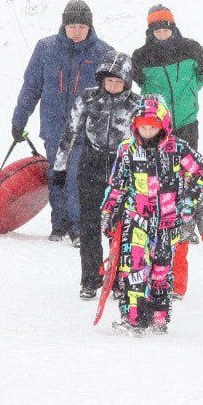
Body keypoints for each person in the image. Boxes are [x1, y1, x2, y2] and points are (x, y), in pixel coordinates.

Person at [100, 95, 203, 334]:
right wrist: (108, 212)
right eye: (143, 125)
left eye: (153, 126)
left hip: (168, 223)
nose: (148, 130)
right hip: (136, 220)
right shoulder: (127, 150)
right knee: (134, 271)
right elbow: (117, 185)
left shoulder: (177, 149)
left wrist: (188, 203)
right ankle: (134, 319)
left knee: (161, 273)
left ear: (163, 125)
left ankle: (159, 320)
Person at [12, 0, 113, 243]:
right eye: (71, 26)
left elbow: (114, 92)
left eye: (81, 26)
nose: (76, 31)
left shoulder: (103, 53)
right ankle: (60, 223)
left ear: (89, 26)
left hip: (86, 130)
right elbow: (31, 87)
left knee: (77, 176)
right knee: (56, 176)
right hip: (54, 127)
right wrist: (19, 120)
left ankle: (79, 227)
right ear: (63, 25)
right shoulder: (46, 48)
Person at [131, 4, 203, 299]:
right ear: (150, 31)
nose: (162, 33)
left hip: (187, 122)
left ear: (173, 27)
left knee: (189, 172)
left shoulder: (192, 49)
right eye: (156, 30)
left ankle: (189, 217)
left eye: (165, 28)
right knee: (160, 176)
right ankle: (160, 214)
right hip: (157, 127)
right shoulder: (141, 57)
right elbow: (139, 83)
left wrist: (189, 92)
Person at [52, 50, 143, 300]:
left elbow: (147, 140)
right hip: (91, 164)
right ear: (101, 80)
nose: (113, 86)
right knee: (89, 224)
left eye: (118, 81)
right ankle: (91, 278)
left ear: (127, 82)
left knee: (122, 227)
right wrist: (60, 167)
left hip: (122, 168)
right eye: (109, 81)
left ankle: (119, 278)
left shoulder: (137, 105)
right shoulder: (89, 98)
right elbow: (70, 132)